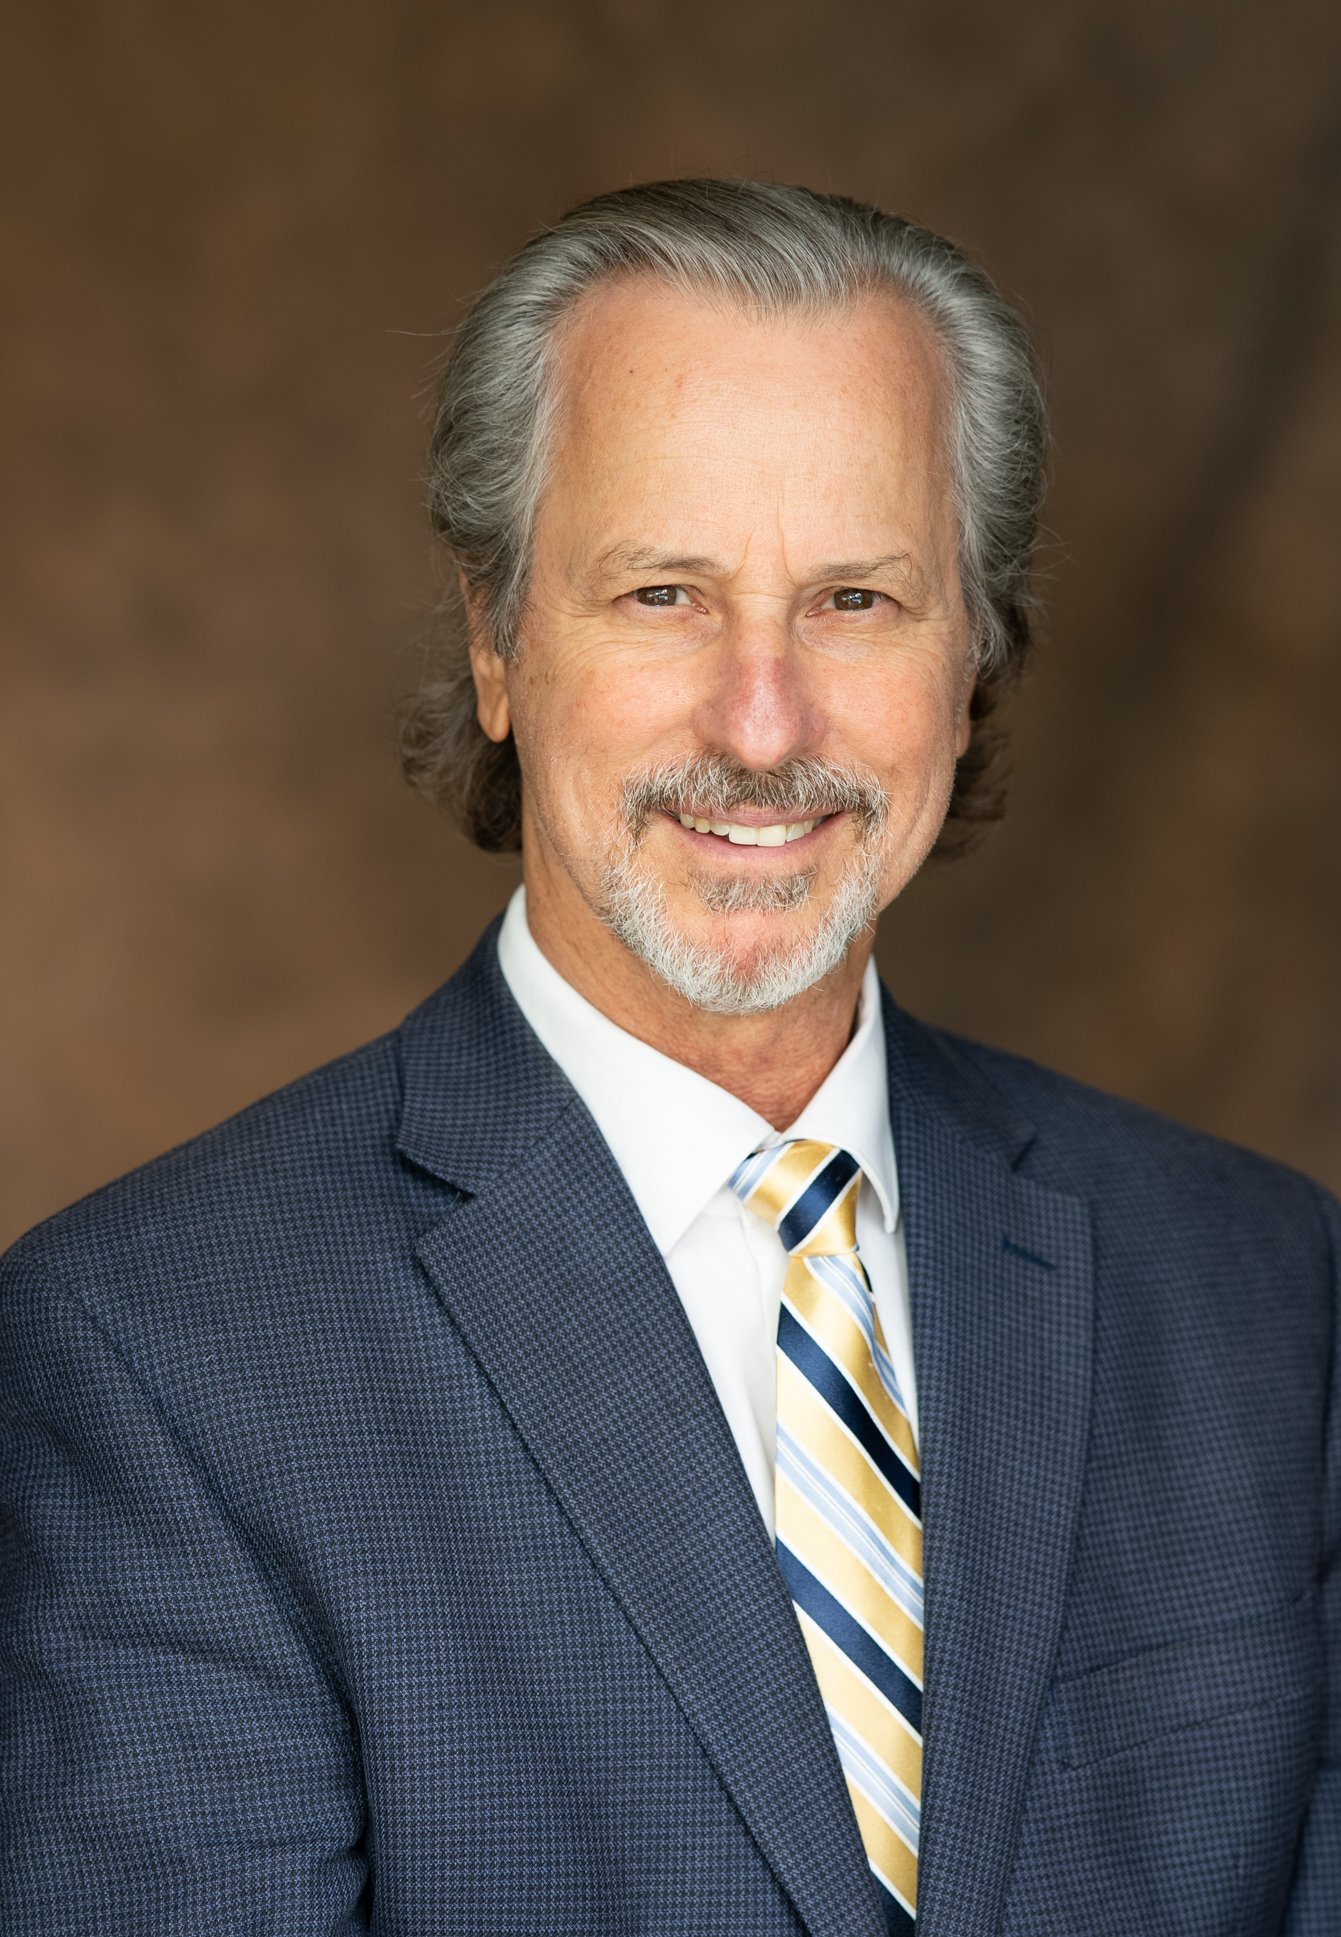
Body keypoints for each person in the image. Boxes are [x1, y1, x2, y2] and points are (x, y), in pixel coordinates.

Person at [1, 179, 1336, 1937]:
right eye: (660, 592)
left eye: (854, 596)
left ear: (972, 655)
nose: (760, 722)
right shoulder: (156, 1355)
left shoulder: (1266, 1289)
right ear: (495, 642)